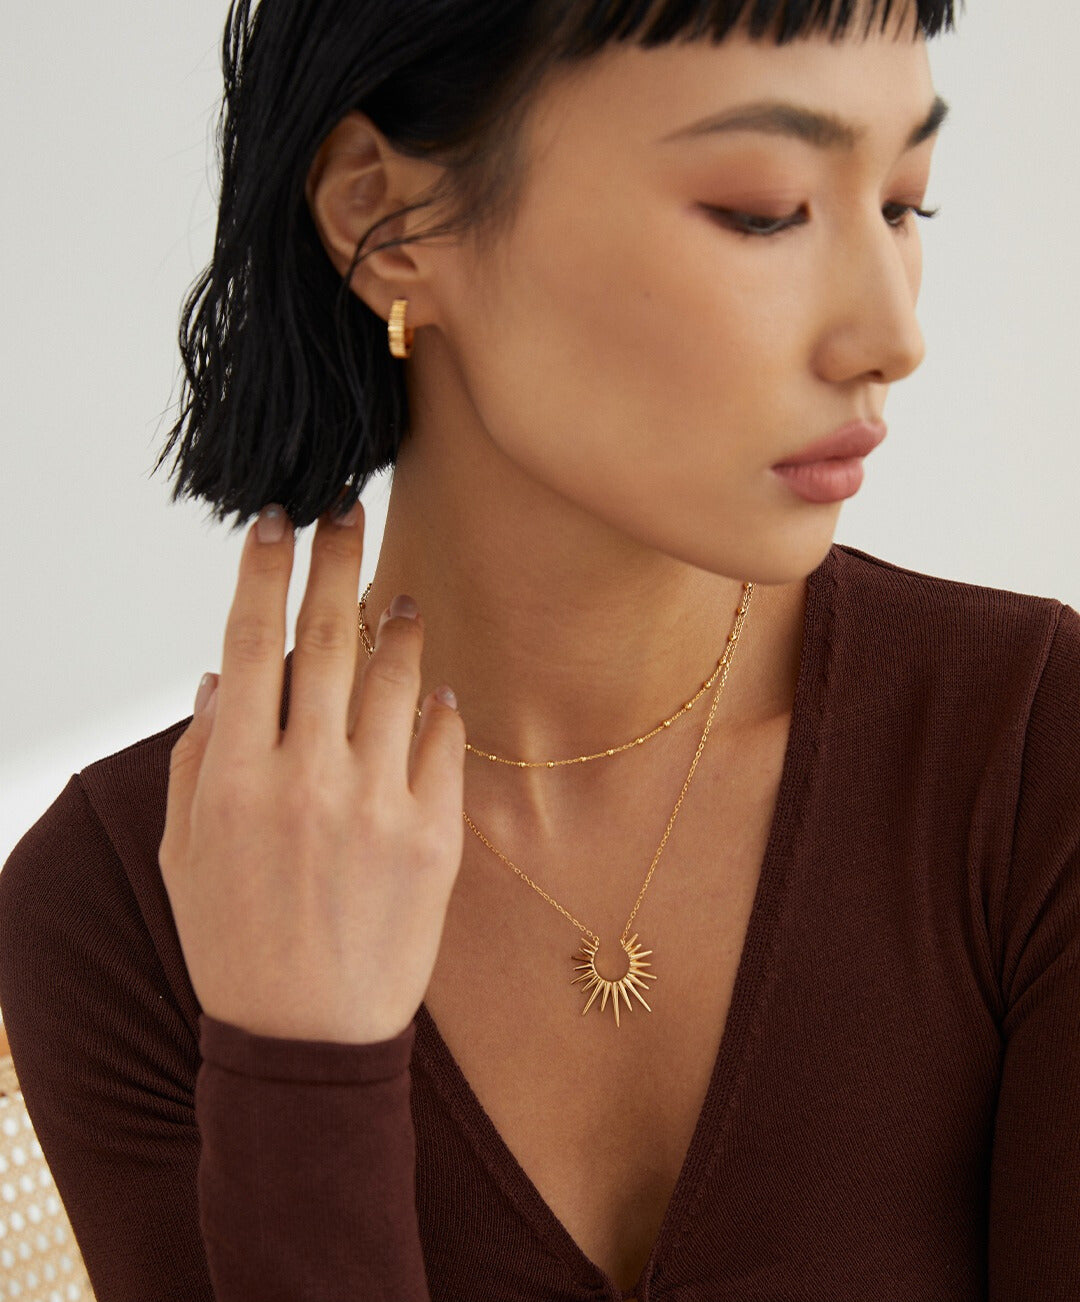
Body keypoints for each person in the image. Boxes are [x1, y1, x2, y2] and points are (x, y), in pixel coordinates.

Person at [1, 0, 1077, 1298]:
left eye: (905, 204)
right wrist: (300, 1065)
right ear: (388, 223)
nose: (892, 336)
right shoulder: (124, 904)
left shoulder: (1030, 758)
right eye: (765, 208)